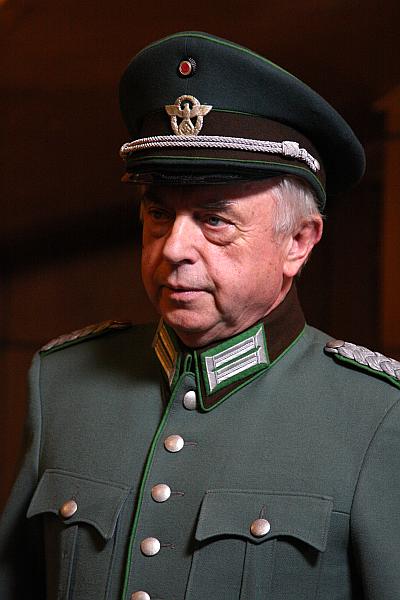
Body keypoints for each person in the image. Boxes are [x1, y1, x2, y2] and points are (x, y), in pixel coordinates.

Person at [1, 30, 400, 600]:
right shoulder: (61, 383)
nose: (172, 248)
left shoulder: (377, 416)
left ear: (298, 242)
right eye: (159, 214)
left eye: (215, 220)